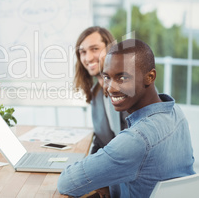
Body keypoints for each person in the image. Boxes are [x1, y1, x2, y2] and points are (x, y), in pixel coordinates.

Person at [58, 39, 195, 197]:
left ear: (150, 77)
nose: (111, 88)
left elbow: (66, 183)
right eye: (107, 77)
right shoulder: (176, 113)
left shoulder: (136, 139)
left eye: (122, 78)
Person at [74, 26, 128, 153]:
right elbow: (100, 141)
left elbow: (133, 142)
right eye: (83, 52)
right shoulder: (96, 93)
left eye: (95, 49)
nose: (88, 58)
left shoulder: (128, 86)